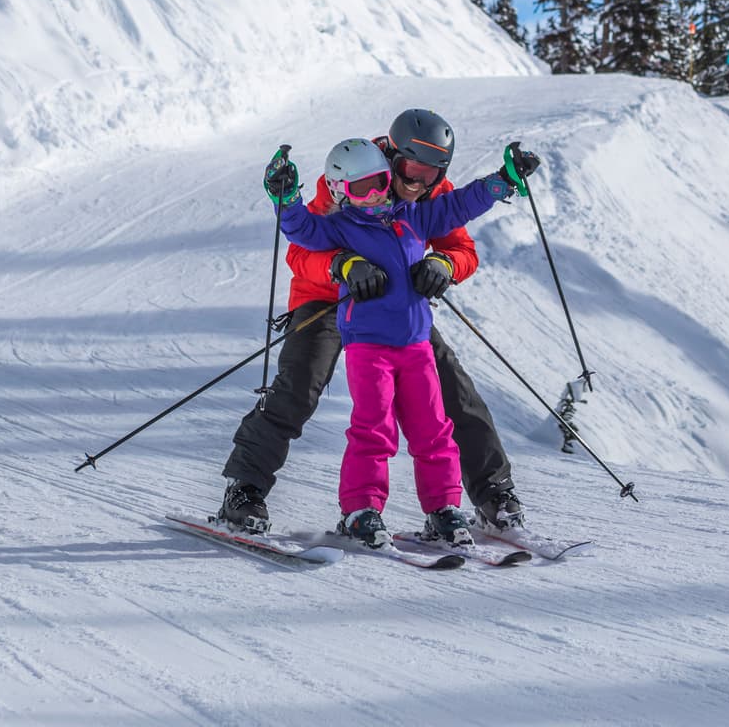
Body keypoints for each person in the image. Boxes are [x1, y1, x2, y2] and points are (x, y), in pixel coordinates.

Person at [217, 109, 529, 536]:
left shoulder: (431, 192)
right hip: (328, 298)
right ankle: (244, 490)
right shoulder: (355, 177)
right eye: (411, 170)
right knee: (299, 386)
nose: (419, 182)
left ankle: (494, 494)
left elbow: (462, 248)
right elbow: (299, 248)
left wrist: (443, 264)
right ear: (392, 154)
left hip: (394, 309)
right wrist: (342, 265)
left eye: (431, 174)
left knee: (452, 391)